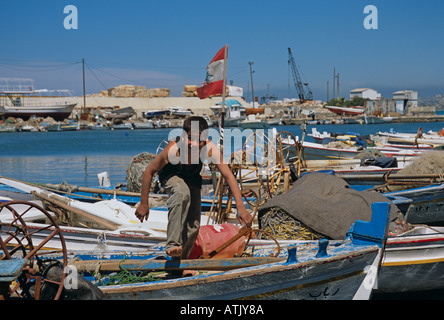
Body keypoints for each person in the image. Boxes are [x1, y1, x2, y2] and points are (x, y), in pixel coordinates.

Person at [135, 116, 253, 261]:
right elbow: (149, 171)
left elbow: (229, 176)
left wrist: (240, 207)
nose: (195, 144)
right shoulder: (173, 150)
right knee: (181, 192)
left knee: (193, 226)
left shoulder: (210, 149)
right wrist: (144, 203)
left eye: (200, 140)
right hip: (171, 175)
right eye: (191, 139)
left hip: (192, 179)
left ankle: (181, 261)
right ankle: (172, 244)